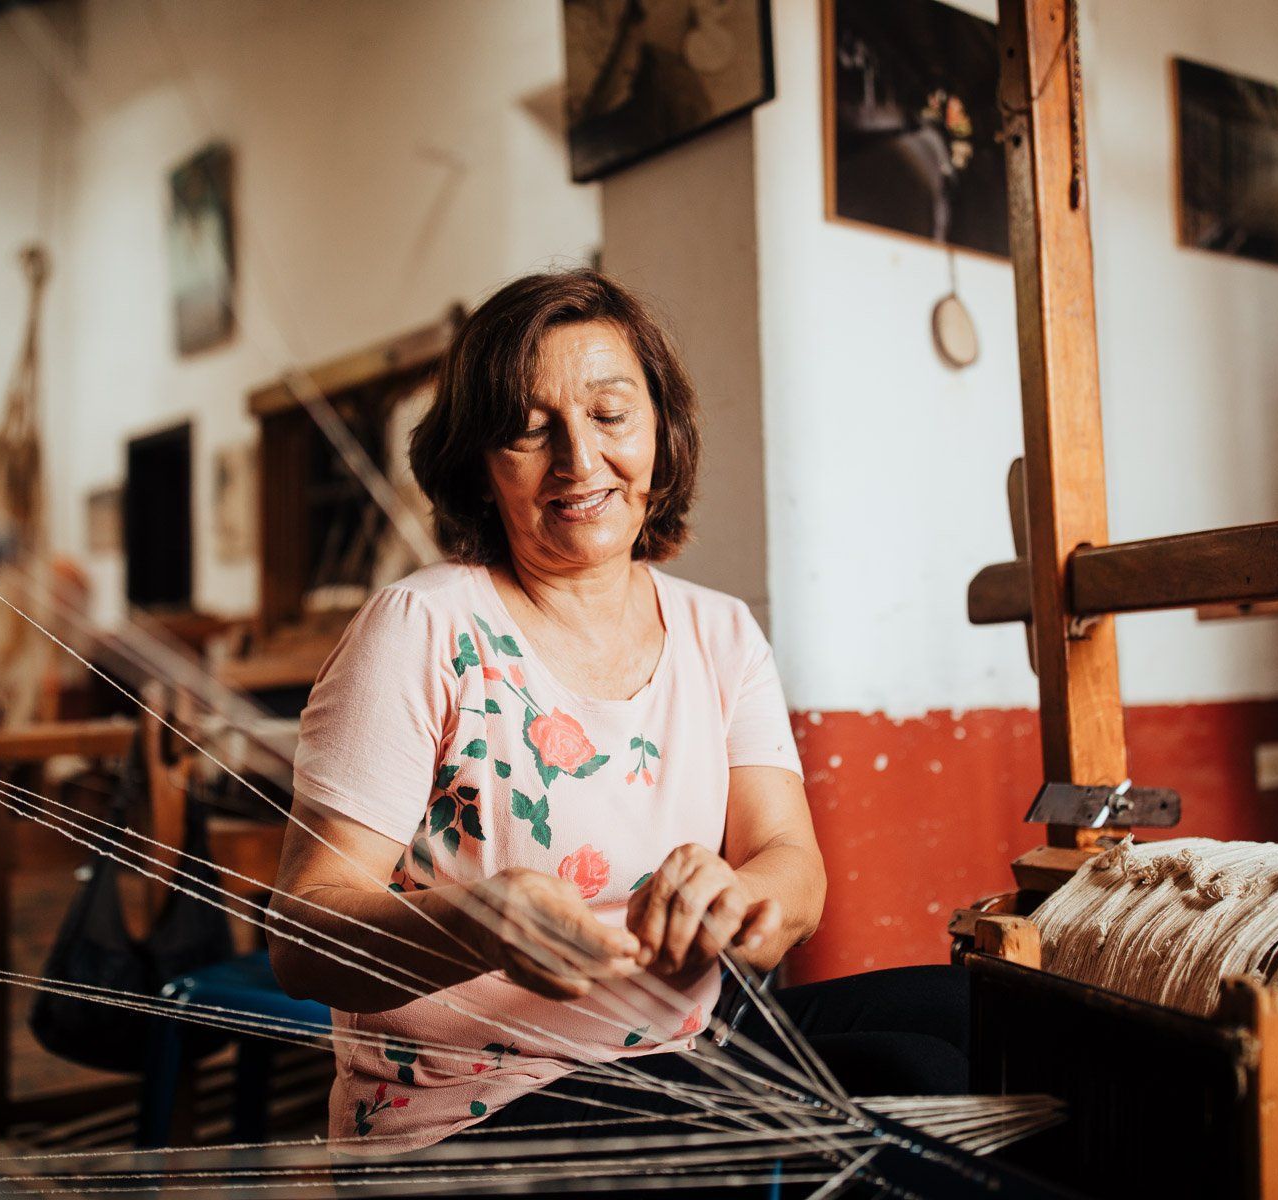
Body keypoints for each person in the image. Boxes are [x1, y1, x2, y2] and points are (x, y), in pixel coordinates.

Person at [269, 269, 967, 1162]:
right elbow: (299, 939)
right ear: (479, 467)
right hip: (471, 1113)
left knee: (971, 1019)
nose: (578, 461)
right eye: (528, 429)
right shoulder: (423, 628)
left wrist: (744, 897)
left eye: (610, 415)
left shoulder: (720, 633)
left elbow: (792, 866)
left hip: (677, 1052)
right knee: (915, 1080)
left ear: (662, 433)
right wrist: (477, 923)